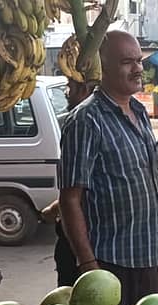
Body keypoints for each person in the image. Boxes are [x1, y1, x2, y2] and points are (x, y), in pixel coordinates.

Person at [58, 30, 158, 305]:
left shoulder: (139, 111)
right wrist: (88, 265)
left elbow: (145, 184)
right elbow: (69, 199)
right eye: (126, 62)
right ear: (103, 68)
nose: (138, 69)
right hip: (109, 265)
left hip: (145, 258)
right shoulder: (86, 120)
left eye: (139, 61)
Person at [41, 78, 97, 287]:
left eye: (70, 87)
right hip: (73, 247)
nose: (66, 92)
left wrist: (87, 262)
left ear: (84, 89)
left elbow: (76, 198)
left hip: (82, 247)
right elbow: (75, 192)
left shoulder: (83, 122)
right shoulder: (80, 122)